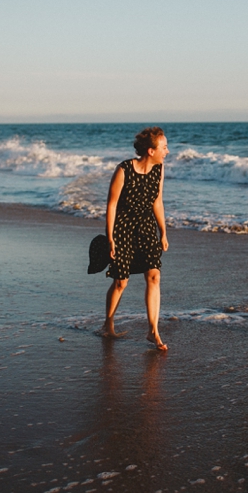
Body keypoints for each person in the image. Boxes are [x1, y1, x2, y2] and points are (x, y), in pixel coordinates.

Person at [101, 127, 170, 350]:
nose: (167, 151)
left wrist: (163, 231)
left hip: (146, 227)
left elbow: (157, 202)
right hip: (123, 229)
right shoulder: (124, 170)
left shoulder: (159, 169)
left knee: (154, 277)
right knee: (121, 282)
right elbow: (111, 205)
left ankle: (153, 331)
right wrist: (110, 237)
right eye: (164, 147)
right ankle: (108, 323)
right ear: (151, 150)